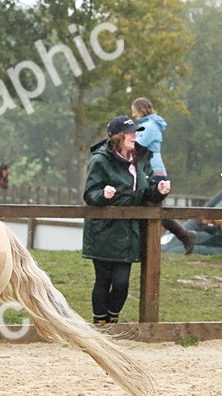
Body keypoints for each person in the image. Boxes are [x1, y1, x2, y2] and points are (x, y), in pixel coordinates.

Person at [82, 115, 171, 325]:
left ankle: (112, 320)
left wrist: (158, 191)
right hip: (103, 231)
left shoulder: (140, 160)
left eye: (135, 132)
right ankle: (100, 325)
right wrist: (103, 194)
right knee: (103, 280)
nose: (135, 136)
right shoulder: (100, 160)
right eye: (130, 133)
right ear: (118, 137)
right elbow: (90, 194)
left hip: (129, 232)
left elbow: (144, 193)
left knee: (121, 283)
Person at [132, 97, 196, 254]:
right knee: (149, 208)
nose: (133, 114)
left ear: (140, 110)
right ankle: (183, 235)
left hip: (152, 172)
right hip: (149, 170)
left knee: (150, 209)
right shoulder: (147, 126)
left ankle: (182, 235)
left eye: (134, 110)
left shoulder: (149, 127)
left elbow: (137, 148)